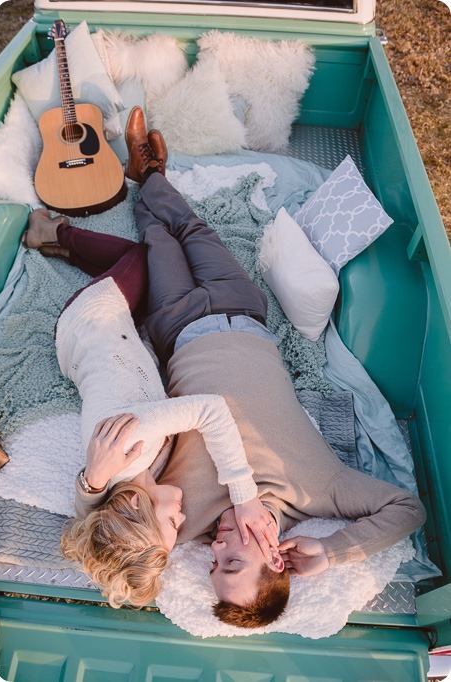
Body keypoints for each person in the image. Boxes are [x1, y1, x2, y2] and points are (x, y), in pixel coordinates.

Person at [72, 107, 427, 627]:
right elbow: (408, 511)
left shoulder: (183, 516)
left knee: (159, 243)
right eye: (233, 561)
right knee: (194, 228)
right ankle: (154, 174)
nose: (217, 550)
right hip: (246, 313)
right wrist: (333, 552)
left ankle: (144, 173)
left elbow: (104, 531)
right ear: (276, 558)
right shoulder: (319, 490)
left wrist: (91, 483)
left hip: (179, 328)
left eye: (214, 564)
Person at [21, 124, 278, 608]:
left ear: (138, 503)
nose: (182, 526)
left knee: (137, 254)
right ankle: (68, 235)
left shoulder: (132, 444)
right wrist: (90, 483)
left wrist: (244, 494)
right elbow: (88, 514)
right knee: (148, 272)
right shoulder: (116, 481)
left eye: (170, 525)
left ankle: (54, 232)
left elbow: (213, 412)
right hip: (84, 351)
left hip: (92, 319)